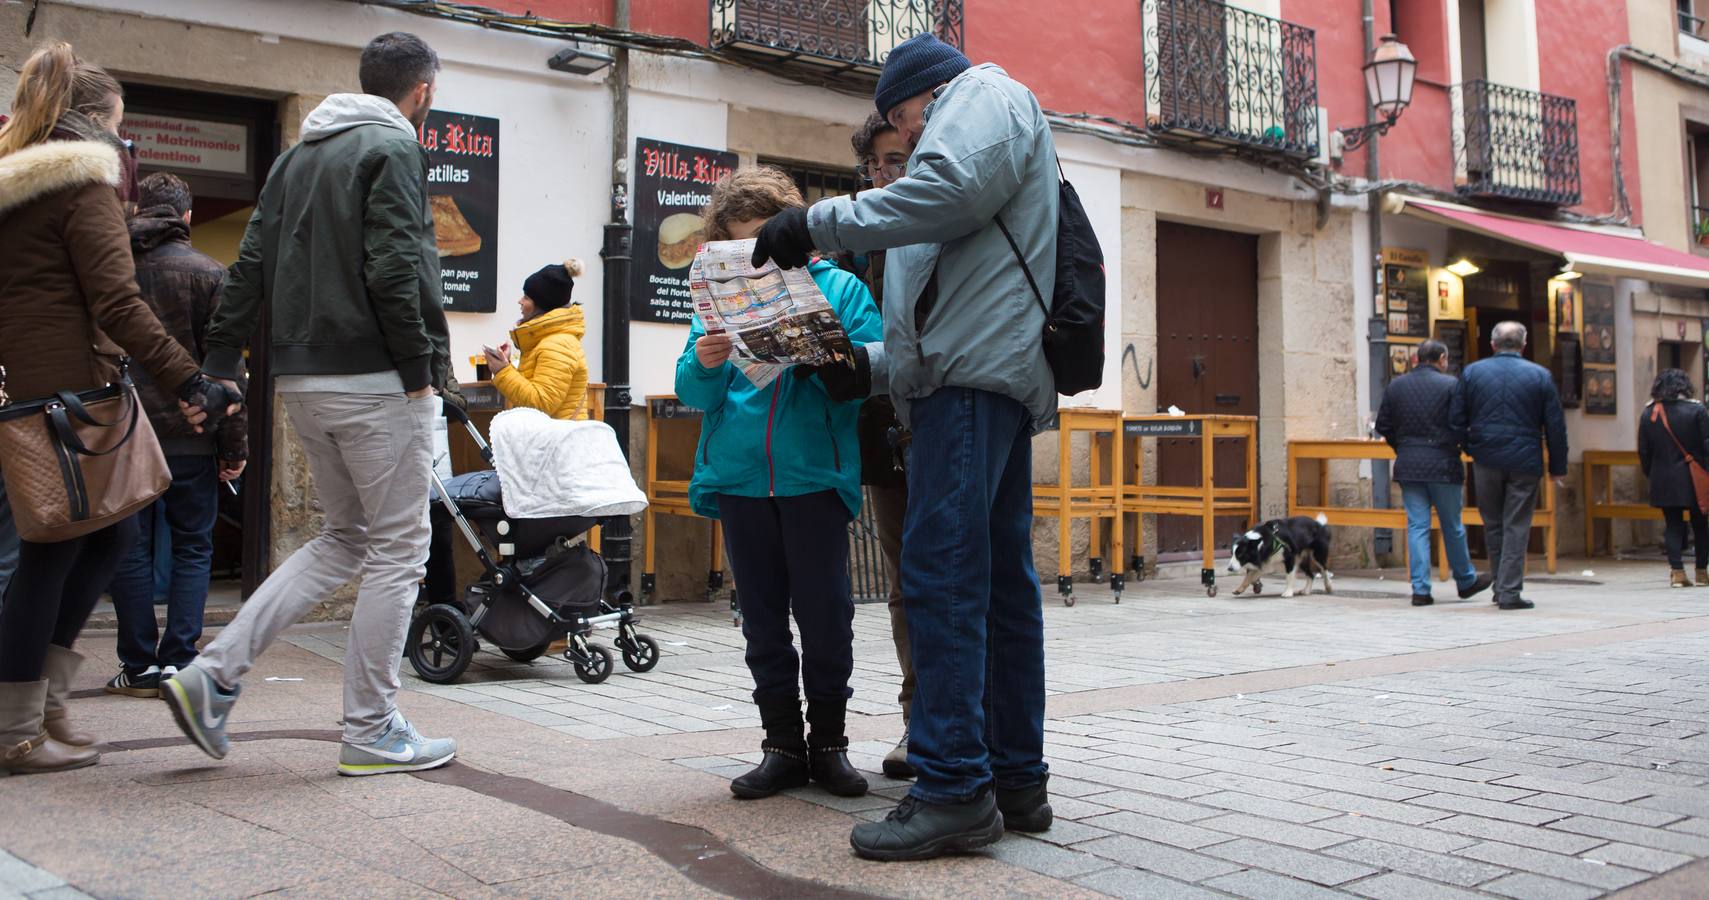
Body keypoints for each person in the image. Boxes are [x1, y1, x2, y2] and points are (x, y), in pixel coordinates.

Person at [750, 34, 1058, 859]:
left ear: (922, 96)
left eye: (900, 120)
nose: (906, 142)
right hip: (973, 379)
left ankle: (955, 785)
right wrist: (870, 366)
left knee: (942, 578)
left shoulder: (981, 96)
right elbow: (954, 306)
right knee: (994, 583)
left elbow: (950, 192)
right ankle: (1015, 778)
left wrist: (815, 222)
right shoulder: (966, 132)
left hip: (969, 389)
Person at [160, 32, 458, 777]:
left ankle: (215, 671)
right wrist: (420, 366)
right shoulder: (392, 148)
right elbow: (398, 262)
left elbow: (252, 259)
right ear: (421, 92)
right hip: (378, 379)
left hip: (301, 379)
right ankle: (370, 729)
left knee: (342, 538)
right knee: (397, 550)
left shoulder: (298, 154)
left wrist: (223, 359)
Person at [0, 42, 237, 775]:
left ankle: (41, 706)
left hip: (41, 390)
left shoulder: (17, 192)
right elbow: (117, 299)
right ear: (99, 125)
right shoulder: (82, 184)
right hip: (73, 397)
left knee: (96, 541)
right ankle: (16, 727)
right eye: (122, 131)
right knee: (56, 552)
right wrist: (191, 382)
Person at [676, 166, 883, 803]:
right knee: (761, 622)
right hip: (741, 478)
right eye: (741, 244)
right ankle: (781, 746)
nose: (757, 257)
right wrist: (707, 362)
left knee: (826, 617)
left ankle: (829, 745)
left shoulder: (842, 288)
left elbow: (868, 374)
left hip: (813, 476)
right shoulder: (717, 296)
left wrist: (825, 355)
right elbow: (691, 388)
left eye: (767, 241)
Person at [104, 172, 249, 699]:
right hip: (193, 434)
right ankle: (180, 660)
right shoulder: (212, 274)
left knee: (130, 550)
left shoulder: (114, 271)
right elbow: (228, 372)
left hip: (123, 434)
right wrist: (233, 446)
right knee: (193, 547)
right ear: (187, 218)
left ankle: (138, 663)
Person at [844, 111, 916, 779]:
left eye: (898, 161)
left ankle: (964, 723)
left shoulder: (941, 223)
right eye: (877, 166)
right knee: (900, 584)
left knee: (951, 578)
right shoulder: (856, 244)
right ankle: (915, 721)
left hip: (946, 423)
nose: (885, 177)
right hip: (881, 430)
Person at [1451, 321, 1567, 611]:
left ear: (1493, 344)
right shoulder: (1540, 376)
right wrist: (1558, 465)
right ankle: (1509, 591)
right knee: (1516, 525)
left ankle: (1501, 588)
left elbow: (1455, 419)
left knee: (1493, 525)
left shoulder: (1472, 372)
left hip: (1486, 458)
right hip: (1525, 459)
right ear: (1523, 345)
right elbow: (1555, 425)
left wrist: (1471, 448)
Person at [1375, 340, 1492, 607]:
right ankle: (1465, 580)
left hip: (1409, 463)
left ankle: (1420, 590)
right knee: (1452, 525)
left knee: (1417, 526)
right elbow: (1462, 423)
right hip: (1443, 463)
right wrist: (1462, 446)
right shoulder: (1452, 386)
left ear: (1417, 359)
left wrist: (1403, 447)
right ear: (1441, 358)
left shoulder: (1396, 386)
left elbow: (1383, 425)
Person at [484, 259, 591, 420]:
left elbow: (541, 404)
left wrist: (503, 372)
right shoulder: (546, 340)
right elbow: (533, 394)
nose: (520, 301)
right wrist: (507, 365)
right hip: (549, 441)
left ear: (543, 305)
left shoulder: (558, 344)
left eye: (526, 297)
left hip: (556, 442)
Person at [1637, 368, 1709, 587]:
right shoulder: (1697, 410)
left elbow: (1644, 450)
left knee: (1673, 525)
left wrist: (1652, 473)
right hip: (1695, 478)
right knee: (1700, 525)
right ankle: (1701, 572)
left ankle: (1677, 572)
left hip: (1664, 477)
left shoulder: (1649, 413)